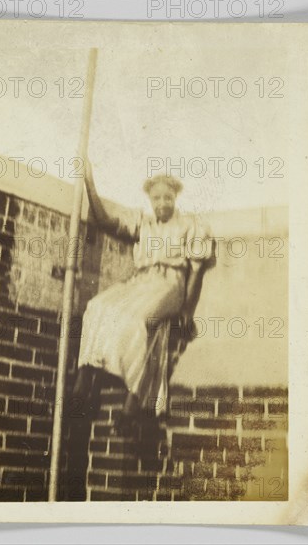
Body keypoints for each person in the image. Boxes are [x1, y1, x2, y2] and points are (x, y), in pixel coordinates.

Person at [72, 160, 215, 435]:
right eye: (156, 198)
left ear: (175, 198)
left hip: (170, 283)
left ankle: (133, 401)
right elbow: (105, 221)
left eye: (167, 197)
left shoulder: (190, 225)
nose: (162, 203)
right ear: (150, 200)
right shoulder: (144, 223)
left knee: (142, 321)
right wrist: (89, 182)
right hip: (139, 281)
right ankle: (83, 383)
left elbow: (195, 272)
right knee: (96, 306)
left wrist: (187, 310)